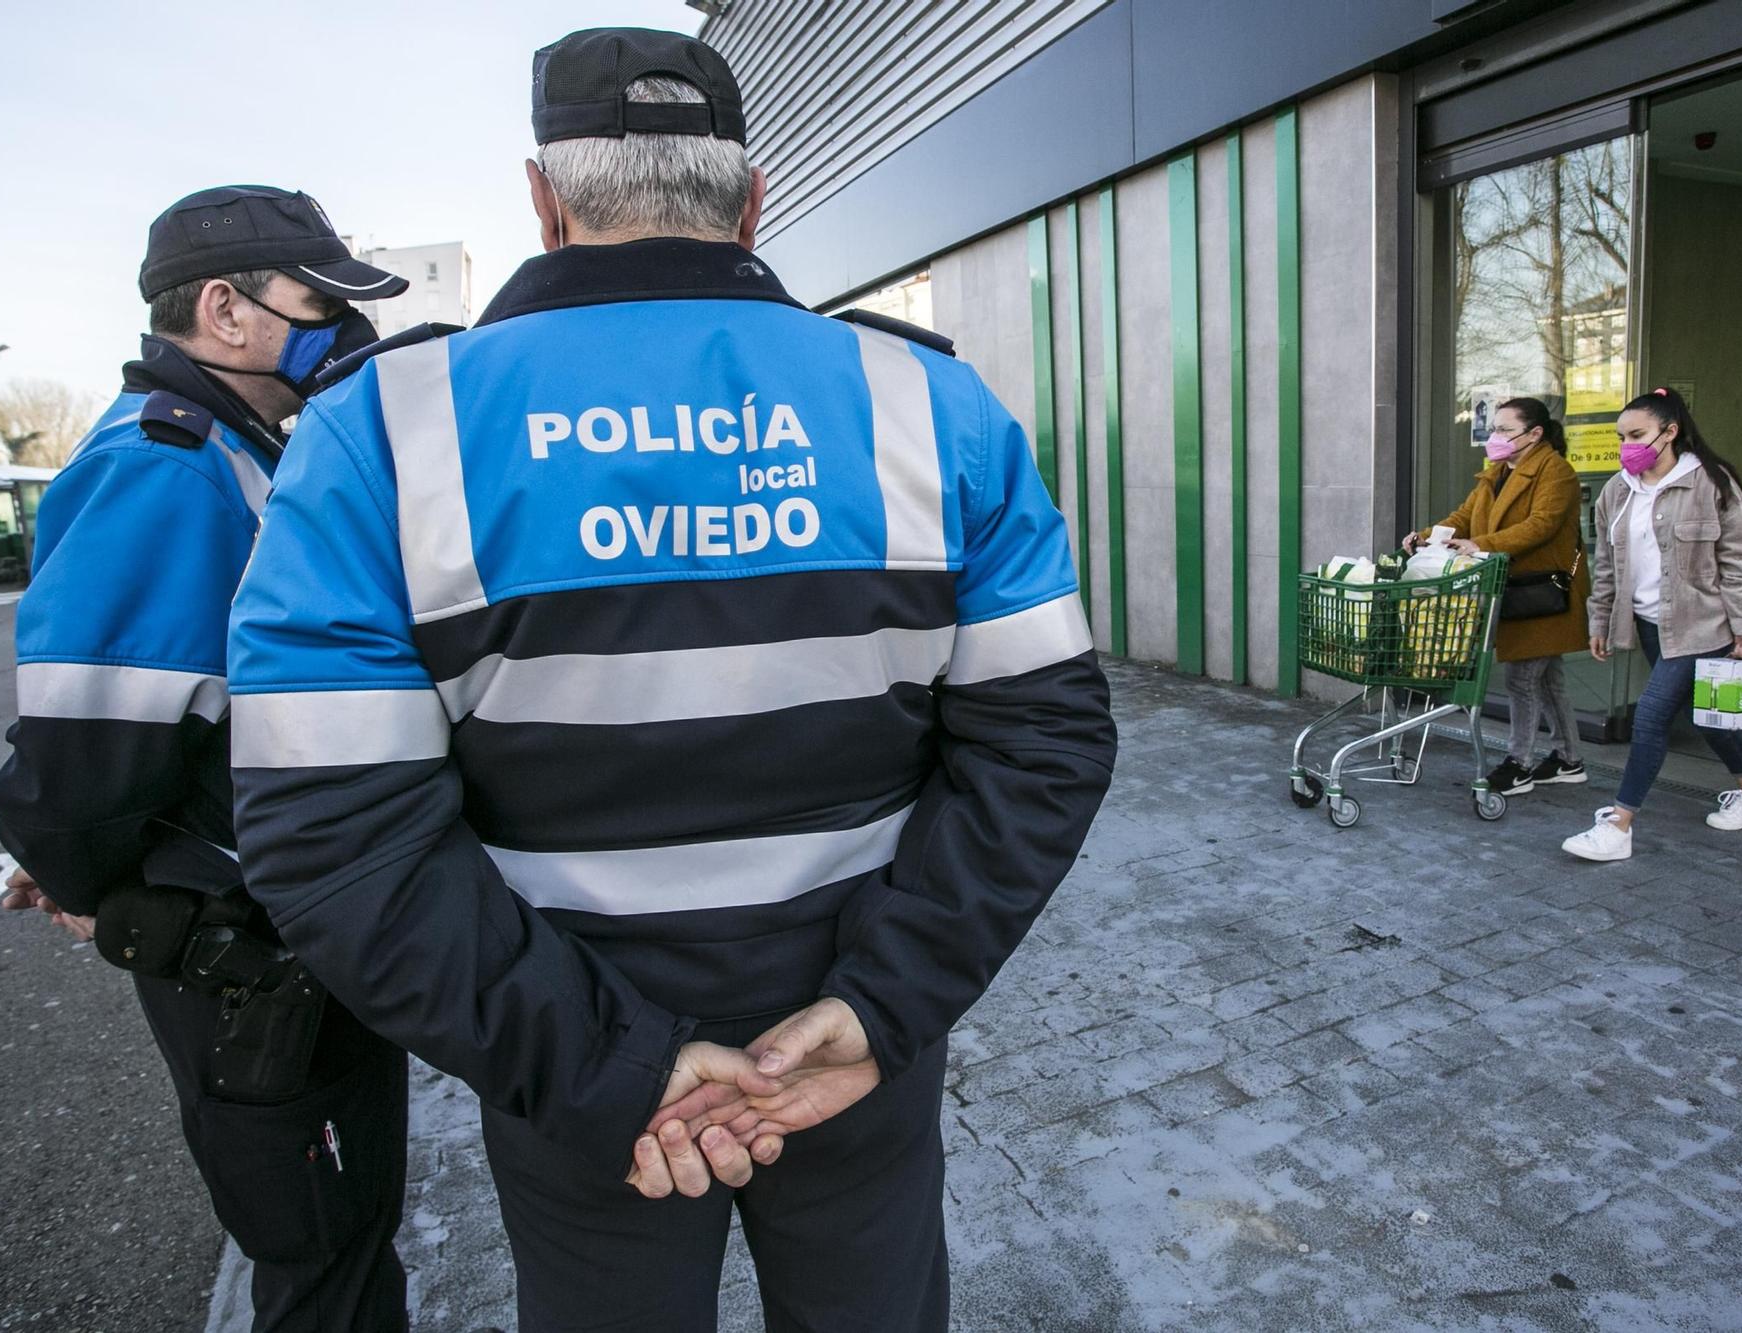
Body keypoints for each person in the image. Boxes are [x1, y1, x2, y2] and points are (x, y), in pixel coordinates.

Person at [226, 27, 1117, 1333]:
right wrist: (882, 1004)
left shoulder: (386, 435)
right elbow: (1046, 743)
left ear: (545, 199)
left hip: (579, 1074)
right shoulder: (933, 405)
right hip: (854, 1044)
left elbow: (331, 833)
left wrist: (610, 1067)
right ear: (751, 201)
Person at [0, 187, 413, 1330]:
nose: (345, 331)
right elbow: (90, 747)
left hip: (291, 929)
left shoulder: (233, 446)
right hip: (244, 954)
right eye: (321, 303)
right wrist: (76, 867)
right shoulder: (168, 465)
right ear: (224, 310)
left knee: (346, 1228)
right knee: (320, 1255)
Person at [1564, 386, 1742, 862]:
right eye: (1622, 437)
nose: (1627, 446)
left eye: (1637, 434)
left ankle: (1619, 824)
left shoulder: (1712, 483)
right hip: (1646, 623)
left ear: (1670, 431)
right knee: (1701, 713)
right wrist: (1598, 619)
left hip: (1702, 624)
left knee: (1651, 715)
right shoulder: (1617, 491)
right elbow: (1607, 565)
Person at [1408, 396, 1589, 795]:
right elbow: (1463, 516)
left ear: (1535, 433)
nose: (1496, 437)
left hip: (1543, 591)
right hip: (1520, 589)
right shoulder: (1498, 472)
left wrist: (1481, 545)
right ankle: (1568, 758)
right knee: (1547, 681)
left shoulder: (1555, 472)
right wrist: (1426, 536)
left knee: (1524, 679)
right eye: (1494, 429)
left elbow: (1541, 525)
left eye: (1505, 430)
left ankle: (1518, 764)